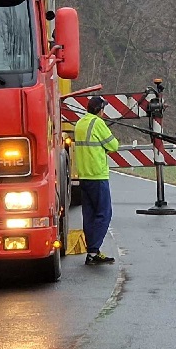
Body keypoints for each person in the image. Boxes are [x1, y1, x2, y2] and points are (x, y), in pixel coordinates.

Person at [72, 95, 120, 265]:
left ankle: (93, 252)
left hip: (84, 176)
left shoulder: (80, 123)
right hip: (98, 175)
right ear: (100, 110)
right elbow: (114, 146)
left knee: (90, 215)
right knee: (104, 214)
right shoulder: (97, 123)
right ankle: (93, 250)